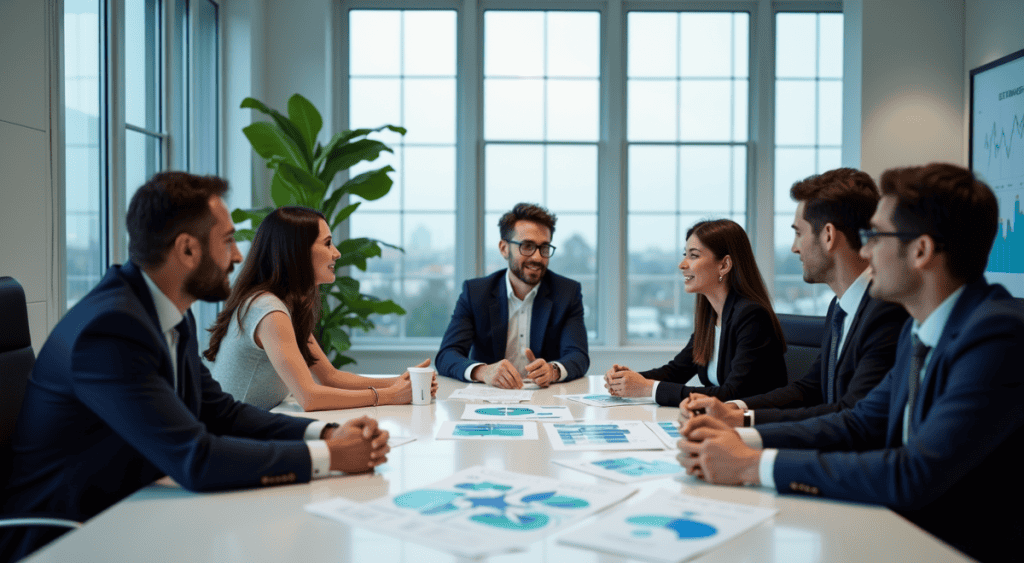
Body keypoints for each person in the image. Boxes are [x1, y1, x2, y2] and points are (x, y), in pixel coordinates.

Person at [0, 172, 390, 563]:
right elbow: (195, 459)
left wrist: (327, 432)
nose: (238, 256)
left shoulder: (167, 312)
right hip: (62, 539)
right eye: (227, 241)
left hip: (132, 511)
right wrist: (330, 456)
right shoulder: (110, 330)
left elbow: (218, 412)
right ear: (187, 250)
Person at [679, 163, 1024, 563]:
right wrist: (741, 435)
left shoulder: (996, 335)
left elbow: (915, 471)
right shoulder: (921, 327)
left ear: (921, 251)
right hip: (902, 534)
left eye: (876, 236)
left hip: (958, 558)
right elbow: (861, 421)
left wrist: (752, 463)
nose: (864, 250)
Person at [682, 169, 907, 425]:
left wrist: (745, 422)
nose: (794, 247)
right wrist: (733, 410)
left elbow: (851, 417)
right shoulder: (841, 307)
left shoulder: (885, 312)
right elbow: (809, 389)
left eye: (799, 233)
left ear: (828, 236)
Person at [203, 206, 437, 411]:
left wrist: (401, 382)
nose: (336, 253)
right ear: (298, 252)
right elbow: (309, 397)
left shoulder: (285, 306)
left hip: (252, 429)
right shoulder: (269, 310)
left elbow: (330, 376)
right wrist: (390, 396)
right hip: (232, 440)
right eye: (327, 243)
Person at [604, 219, 788, 407]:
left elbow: (733, 393)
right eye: (686, 255)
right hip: (721, 422)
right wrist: (628, 379)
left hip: (756, 426)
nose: (682, 265)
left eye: (694, 255)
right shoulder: (712, 316)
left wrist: (647, 388)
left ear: (724, 265)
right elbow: (676, 371)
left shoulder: (752, 317)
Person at [435, 202, 589, 389]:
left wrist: (553, 370)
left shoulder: (567, 292)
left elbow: (578, 355)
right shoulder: (476, 293)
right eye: (527, 246)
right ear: (504, 249)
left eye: (544, 248)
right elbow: (447, 355)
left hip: (544, 399)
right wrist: (484, 372)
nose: (538, 257)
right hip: (488, 398)